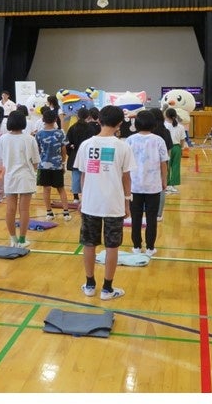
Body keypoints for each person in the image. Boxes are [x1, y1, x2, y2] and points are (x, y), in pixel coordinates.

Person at [75, 106, 133, 301]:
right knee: (112, 246)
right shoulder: (123, 146)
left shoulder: (86, 145)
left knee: (89, 244)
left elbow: (82, 176)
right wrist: (127, 202)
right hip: (113, 203)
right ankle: (107, 289)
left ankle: (90, 284)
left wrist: (83, 199)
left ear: (98, 120)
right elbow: (127, 178)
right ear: (119, 124)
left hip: (91, 203)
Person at [127, 112, 169, 256]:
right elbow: (164, 163)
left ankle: (137, 246)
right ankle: (150, 248)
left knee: (136, 218)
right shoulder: (158, 140)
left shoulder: (130, 140)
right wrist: (164, 180)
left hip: (134, 186)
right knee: (152, 218)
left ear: (136, 124)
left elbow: (125, 165)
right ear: (154, 124)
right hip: (153, 186)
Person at [0, 112, 39, 248]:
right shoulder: (29, 139)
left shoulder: (3, 138)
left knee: (10, 209)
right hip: (26, 176)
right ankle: (22, 240)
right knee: (24, 210)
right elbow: (35, 161)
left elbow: (0, 159)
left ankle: (13, 239)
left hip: (10, 176)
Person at [35, 108, 69, 221]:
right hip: (57, 165)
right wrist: (63, 163)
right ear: (55, 119)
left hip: (43, 166)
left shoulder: (39, 134)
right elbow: (64, 150)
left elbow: (38, 151)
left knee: (46, 188)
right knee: (61, 188)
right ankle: (66, 212)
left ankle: (49, 212)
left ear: (43, 119)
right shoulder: (60, 133)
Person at [65, 108, 99, 207]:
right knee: (88, 176)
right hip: (88, 154)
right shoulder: (90, 129)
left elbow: (68, 143)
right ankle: (86, 196)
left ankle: (76, 197)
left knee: (76, 176)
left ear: (77, 116)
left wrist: (70, 152)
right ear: (88, 116)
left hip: (75, 154)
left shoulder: (72, 127)